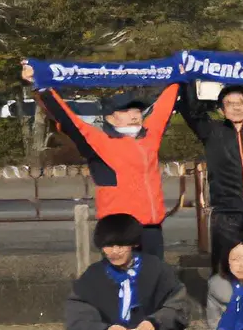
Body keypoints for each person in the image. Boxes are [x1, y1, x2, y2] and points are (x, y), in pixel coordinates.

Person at [22, 63, 180, 258]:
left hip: (152, 229)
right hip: (119, 230)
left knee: (155, 282)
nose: (134, 115)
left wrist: (177, 75)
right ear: (110, 118)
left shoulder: (149, 138)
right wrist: (41, 86)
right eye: (126, 111)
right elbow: (67, 119)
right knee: (119, 284)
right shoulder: (100, 142)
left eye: (138, 111)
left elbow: (164, 109)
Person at [177, 82, 243, 265]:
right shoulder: (212, 131)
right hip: (226, 214)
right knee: (226, 266)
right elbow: (191, 109)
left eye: (241, 102)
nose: (236, 107)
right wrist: (186, 77)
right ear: (221, 110)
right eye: (230, 103)